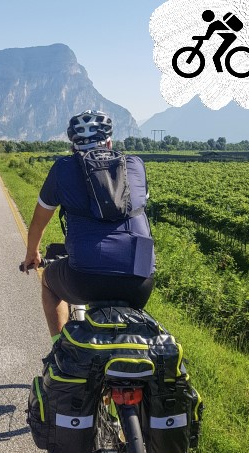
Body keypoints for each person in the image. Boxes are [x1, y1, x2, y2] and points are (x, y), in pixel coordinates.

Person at [21, 110, 155, 343]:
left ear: (73, 146)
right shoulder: (135, 165)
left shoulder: (63, 168)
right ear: (109, 143)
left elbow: (38, 222)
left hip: (85, 277)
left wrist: (32, 254)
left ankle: (60, 350)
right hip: (141, 278)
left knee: (48, 283)